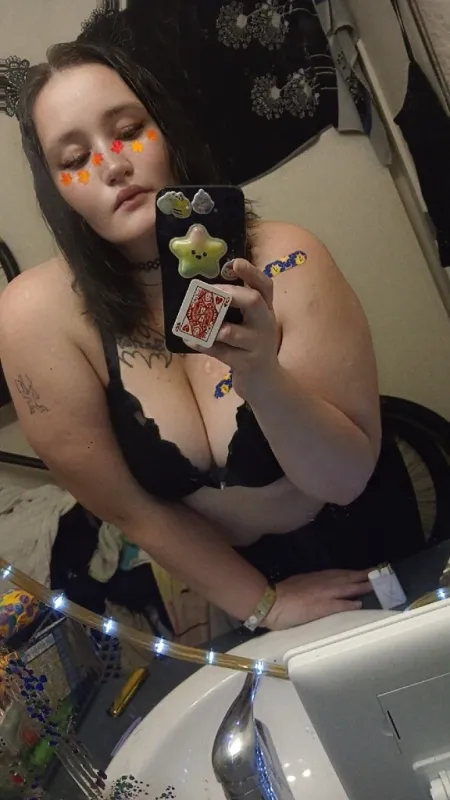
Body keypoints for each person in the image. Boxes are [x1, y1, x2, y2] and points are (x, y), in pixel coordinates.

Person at [0, 40, 382, 633]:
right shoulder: (35, 318)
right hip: (220, 582)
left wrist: (262, 377)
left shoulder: (289, 257)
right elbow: (131, 509)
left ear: (168, 132)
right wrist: (264, 603)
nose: (112, 165)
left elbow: (346, 479)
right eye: (74, 158)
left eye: (129, 131)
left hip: (354, 536)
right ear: (58, 192)